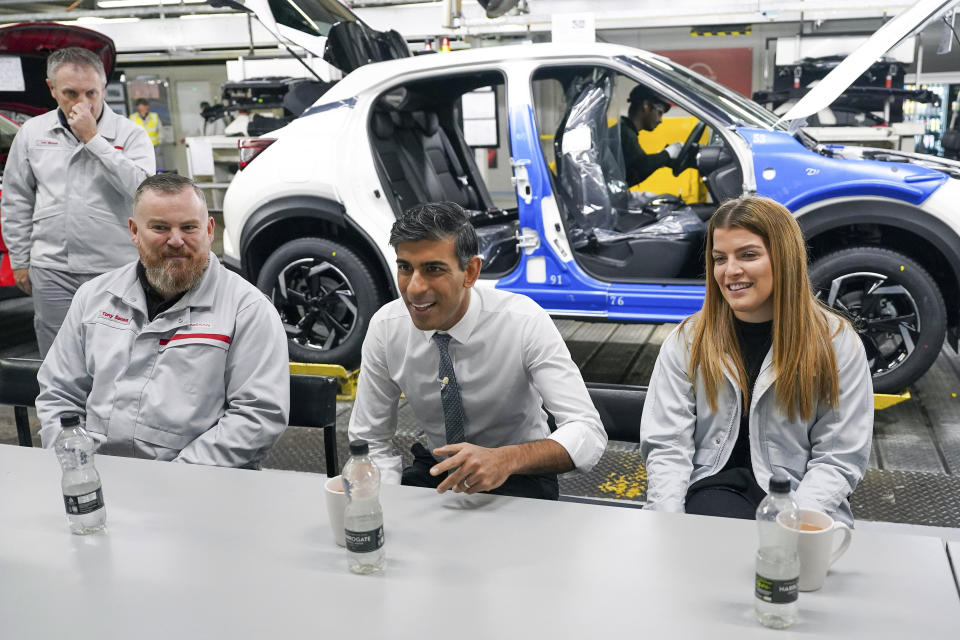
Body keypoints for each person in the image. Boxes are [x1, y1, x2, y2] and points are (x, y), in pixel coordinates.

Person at [348, 201, 607, 500]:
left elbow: (587, 431)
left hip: (520, 473)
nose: (414, 288)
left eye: (433, 269)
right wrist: (386, 505)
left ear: (470, 271)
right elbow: (369, 441)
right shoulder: (386, 327)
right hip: (438, 468)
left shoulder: (522, 322)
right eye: (405, 268)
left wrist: (505, 459)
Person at [639, 195, 873, 526]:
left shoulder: (835, 343)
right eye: (720, 258)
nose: (730, 271)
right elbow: (667, 446)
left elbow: (838, 458)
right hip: (711, 496)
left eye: (748, 255)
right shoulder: (689, 339)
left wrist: (797, 527)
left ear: (784, 258)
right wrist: (669, 526)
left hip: (799, 501)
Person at [36, 174, 290, 468]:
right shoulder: (93, 298)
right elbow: (58, 394)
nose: (176, 240)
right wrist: (76, 465)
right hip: (97, 477)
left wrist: (173, 478)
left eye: (189, 227)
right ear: (134, 231)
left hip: (201, 484)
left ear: (209, 230)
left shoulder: (247, 311)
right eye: (159, 227)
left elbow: (257, 416)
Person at [0, 47, 155, 357]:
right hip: (52, 269)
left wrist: (94, 139)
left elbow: (144, 191)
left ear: (102, 89)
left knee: (121, 353)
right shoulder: (32, 133)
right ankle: (65, 409)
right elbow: (17, 199)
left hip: (115, 267)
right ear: (52, 89)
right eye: (70, 93)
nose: (82, 103)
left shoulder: (131, 134)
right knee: (59, 356)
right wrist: (19, 261)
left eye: (91, 93)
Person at [619, 84, 682, 187]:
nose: (660, 120)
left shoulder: (624, 130)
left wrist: (662, 158)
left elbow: (639, 163)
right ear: (646, 106)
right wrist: (667, 154)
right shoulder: (625, 134)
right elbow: (640, 167)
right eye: (659, 113)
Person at [129, 97, 161, 168]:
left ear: (147, 106)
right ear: (137, 107)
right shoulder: (132, 117)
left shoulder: (154, 116)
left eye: (144, 107)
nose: (142, 109)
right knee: (143, 166)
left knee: (157, 165)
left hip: (154, 146)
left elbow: (161, 131)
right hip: (140, 147)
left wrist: (160, 141)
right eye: (140, 107)